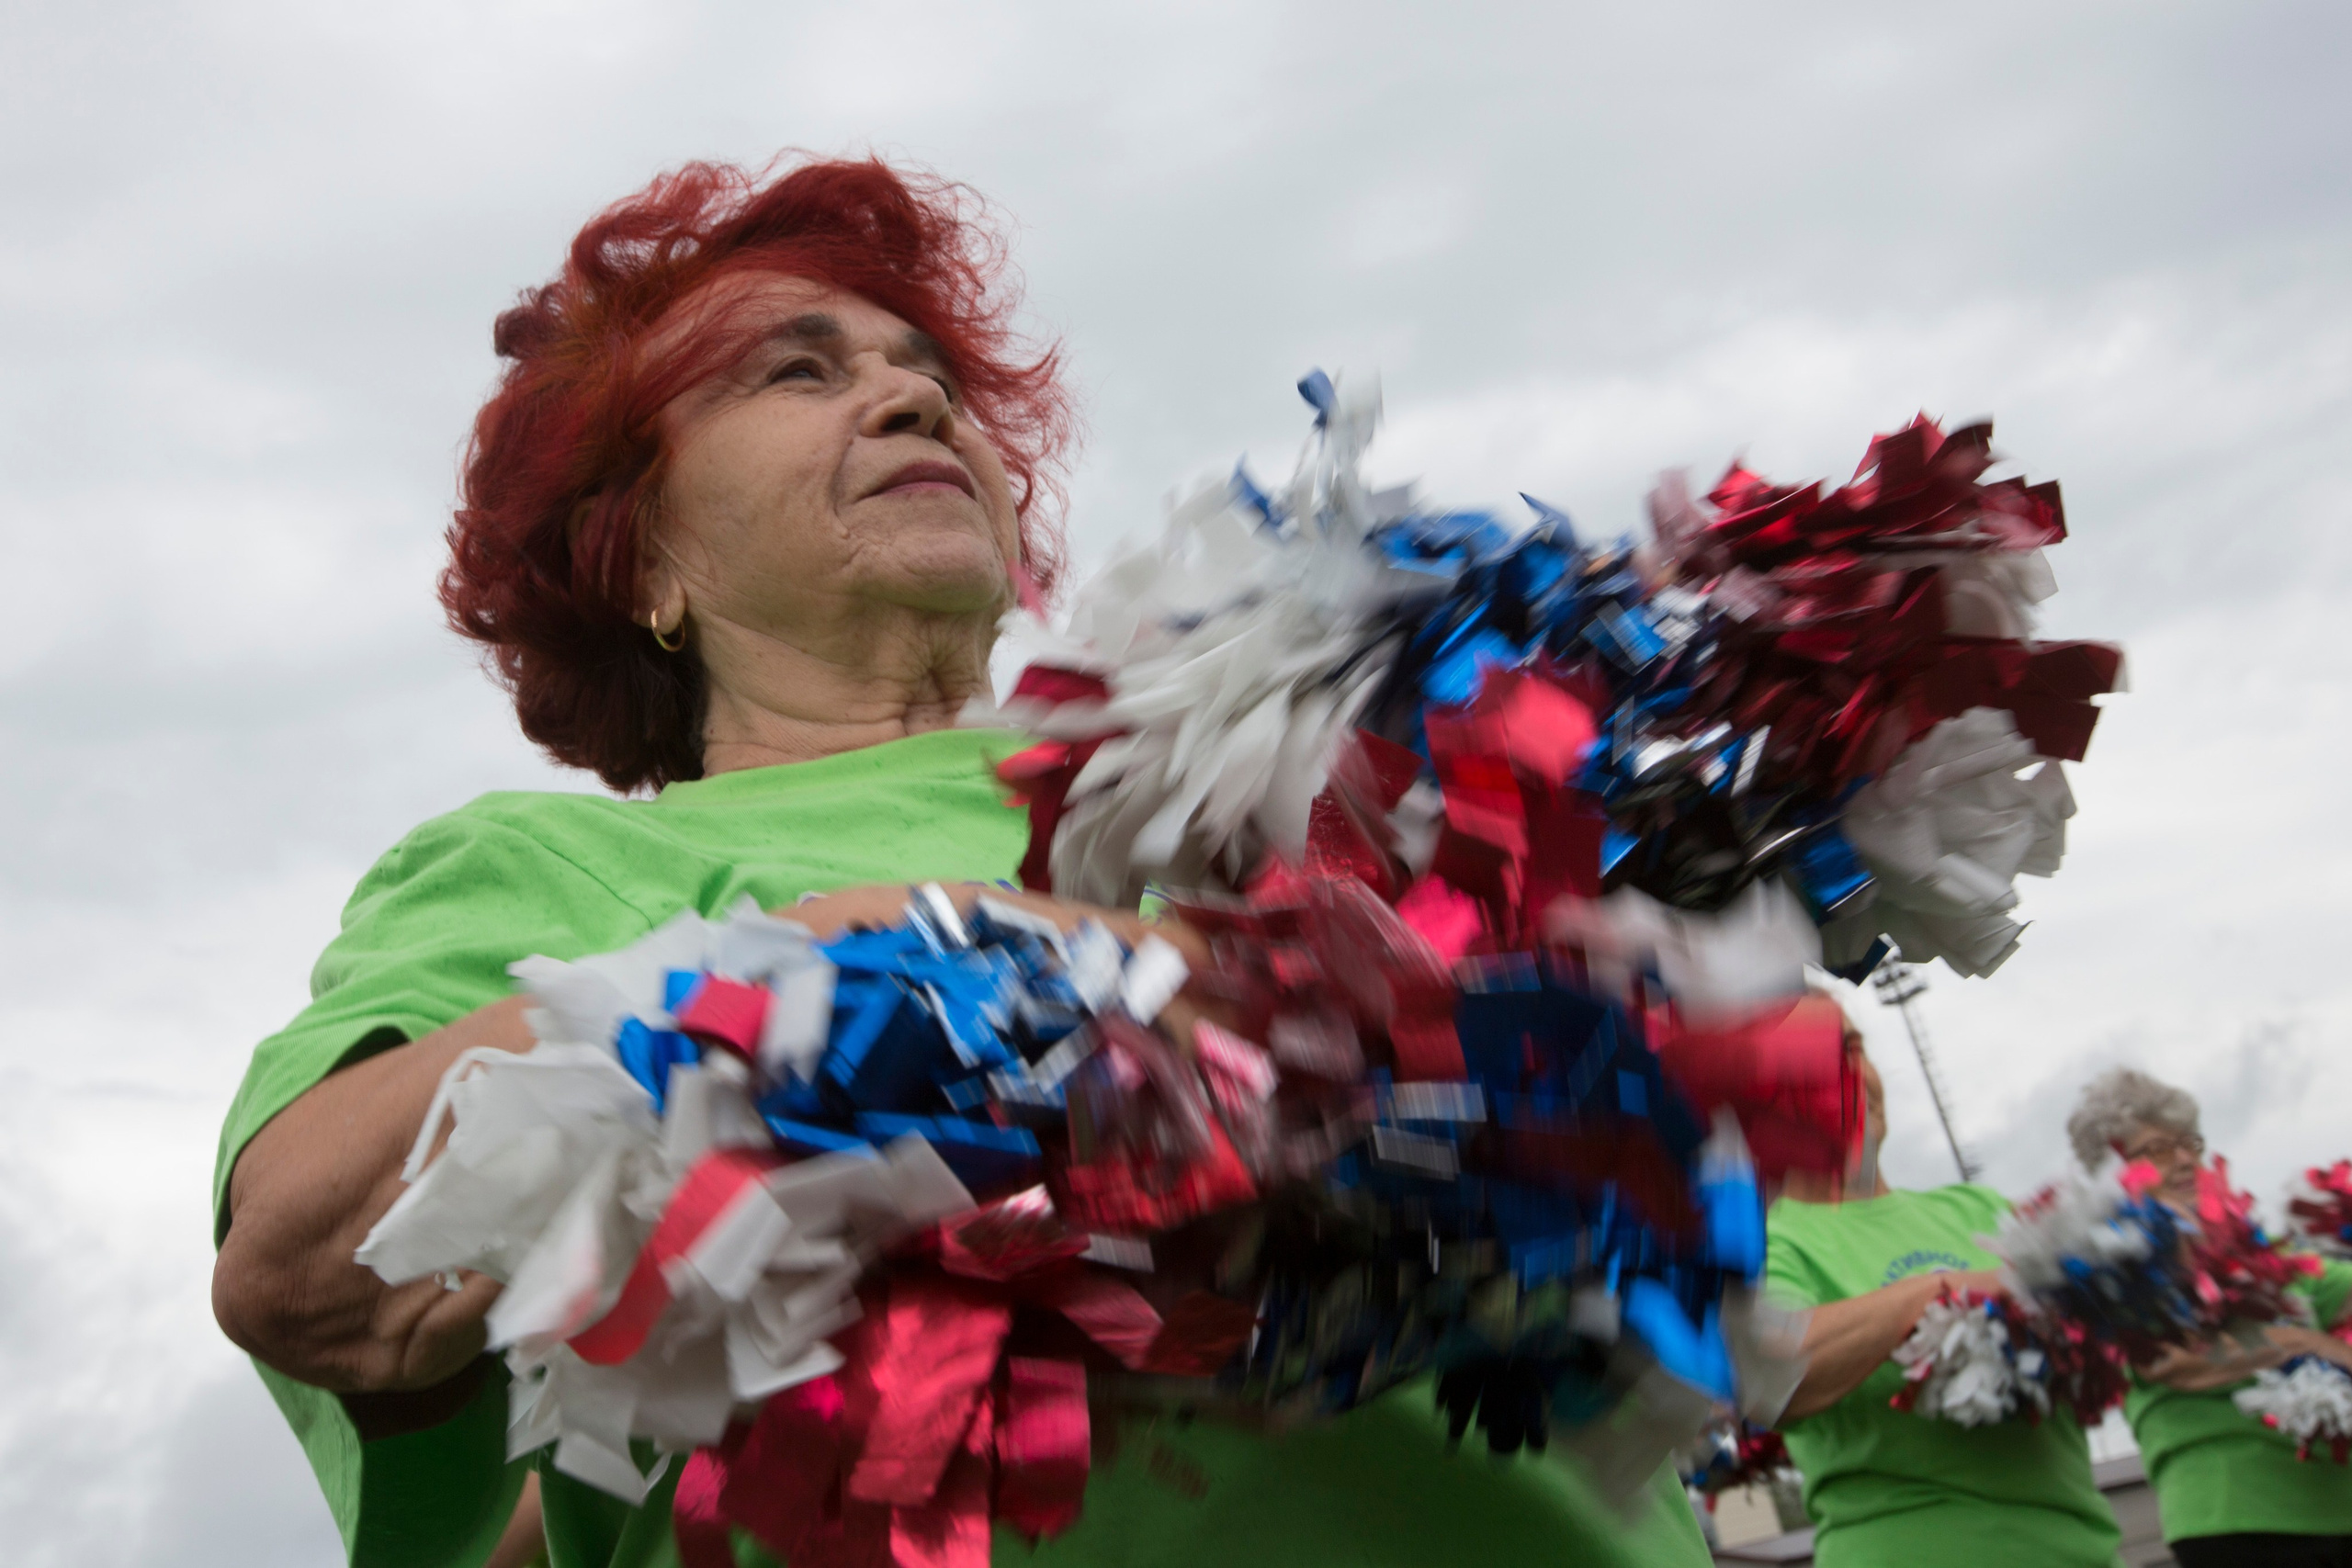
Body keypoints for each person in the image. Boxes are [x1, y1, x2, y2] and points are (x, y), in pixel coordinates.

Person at [209, 156, 1713, 1568]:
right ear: (644, 558)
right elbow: (307, 1260)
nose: (906, 396)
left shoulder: (1266, 784)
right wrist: (847, 963)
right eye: (800, 369)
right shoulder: (562, 859)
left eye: (925, 376)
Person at [1762, 1001, 2125, 1566]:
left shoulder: (1978, 1208)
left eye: (1854, 1049)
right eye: (1810, 1061)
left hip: (2084, 1549)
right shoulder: (1765, 1240)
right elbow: (1772, 1371)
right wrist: (1942, 1290)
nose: (1849, 1073)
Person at [2067, 1067, 2352, 1568]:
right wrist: (2311, 1343)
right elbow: (2175, 1362)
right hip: (2239, 1522)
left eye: (2189, 1144)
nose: (2183, 1160)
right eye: (2155, 1150)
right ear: (2113, 1175)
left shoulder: (2270, 1256)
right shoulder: (2110, 1272)